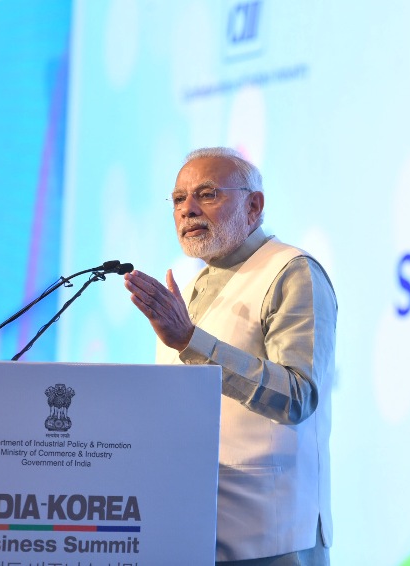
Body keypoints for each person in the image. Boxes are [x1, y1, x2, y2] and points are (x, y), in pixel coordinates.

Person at [124, 147, 335, 565]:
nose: (188, 210)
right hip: (190, 527)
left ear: (253, 205)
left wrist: (191, 342)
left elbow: (297, 396)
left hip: (271, 534)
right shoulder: (188, 284)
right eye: (179, 198)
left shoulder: (291, 271)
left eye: (207, 194)